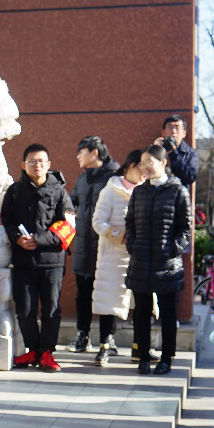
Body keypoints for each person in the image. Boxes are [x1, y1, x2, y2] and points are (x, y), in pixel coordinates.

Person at [2, 143, 74, 373]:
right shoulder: (14, 191)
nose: (37, 165)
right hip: (23, 261)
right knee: (25, 309)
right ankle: (33, 350)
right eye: (32, 161)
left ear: (48, 164)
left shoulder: (60, 191)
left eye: (41, 161)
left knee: (51, 309)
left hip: (52, 262)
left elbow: (69, 225)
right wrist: (17, 239)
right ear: (24, 165)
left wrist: (39, 239)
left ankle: (46, 353)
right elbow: (7, 220)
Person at [125, 145, 191, 375]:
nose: (145, 167)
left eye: (149, 162)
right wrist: (132, 246)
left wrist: (173, 249)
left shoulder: (178, 191)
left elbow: (185, 228)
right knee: (141, 313)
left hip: (167, 264)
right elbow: (130, 222)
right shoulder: (139, 192)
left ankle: (166, 358)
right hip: (141, 262)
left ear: (163, 163)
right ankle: (143, 357)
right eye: (142, 163)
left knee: (168, 314)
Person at [89, 150, 142, 366]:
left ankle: (140, 346)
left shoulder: (147, 190)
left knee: (141, 301)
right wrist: (119, 235)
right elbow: (97, 221)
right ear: (131, 166)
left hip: (139, 256)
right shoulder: (110, 191)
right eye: (142, 167)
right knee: (108, 300)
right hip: (113, 255)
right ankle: (105, 344)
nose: (145, 172)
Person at [68, 136, 119, 354]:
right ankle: (83, 335)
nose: (78, 157)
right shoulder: (82, 179)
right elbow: (71, 203)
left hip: (107, 246)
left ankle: (108, 338)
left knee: (107, 292)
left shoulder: (115, 177)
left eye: (81, 152)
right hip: (83, 246)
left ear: (94, 152)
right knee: (83, 293)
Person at [154, 114, 199, 186]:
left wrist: (173, 154)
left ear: (184, 133)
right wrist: (154, 150)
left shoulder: (191, 153)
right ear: (163, 132)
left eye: (177, 128)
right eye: (170, 127)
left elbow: (190, 177)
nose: (173, 131)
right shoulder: (157, 148)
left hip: (179, 191)